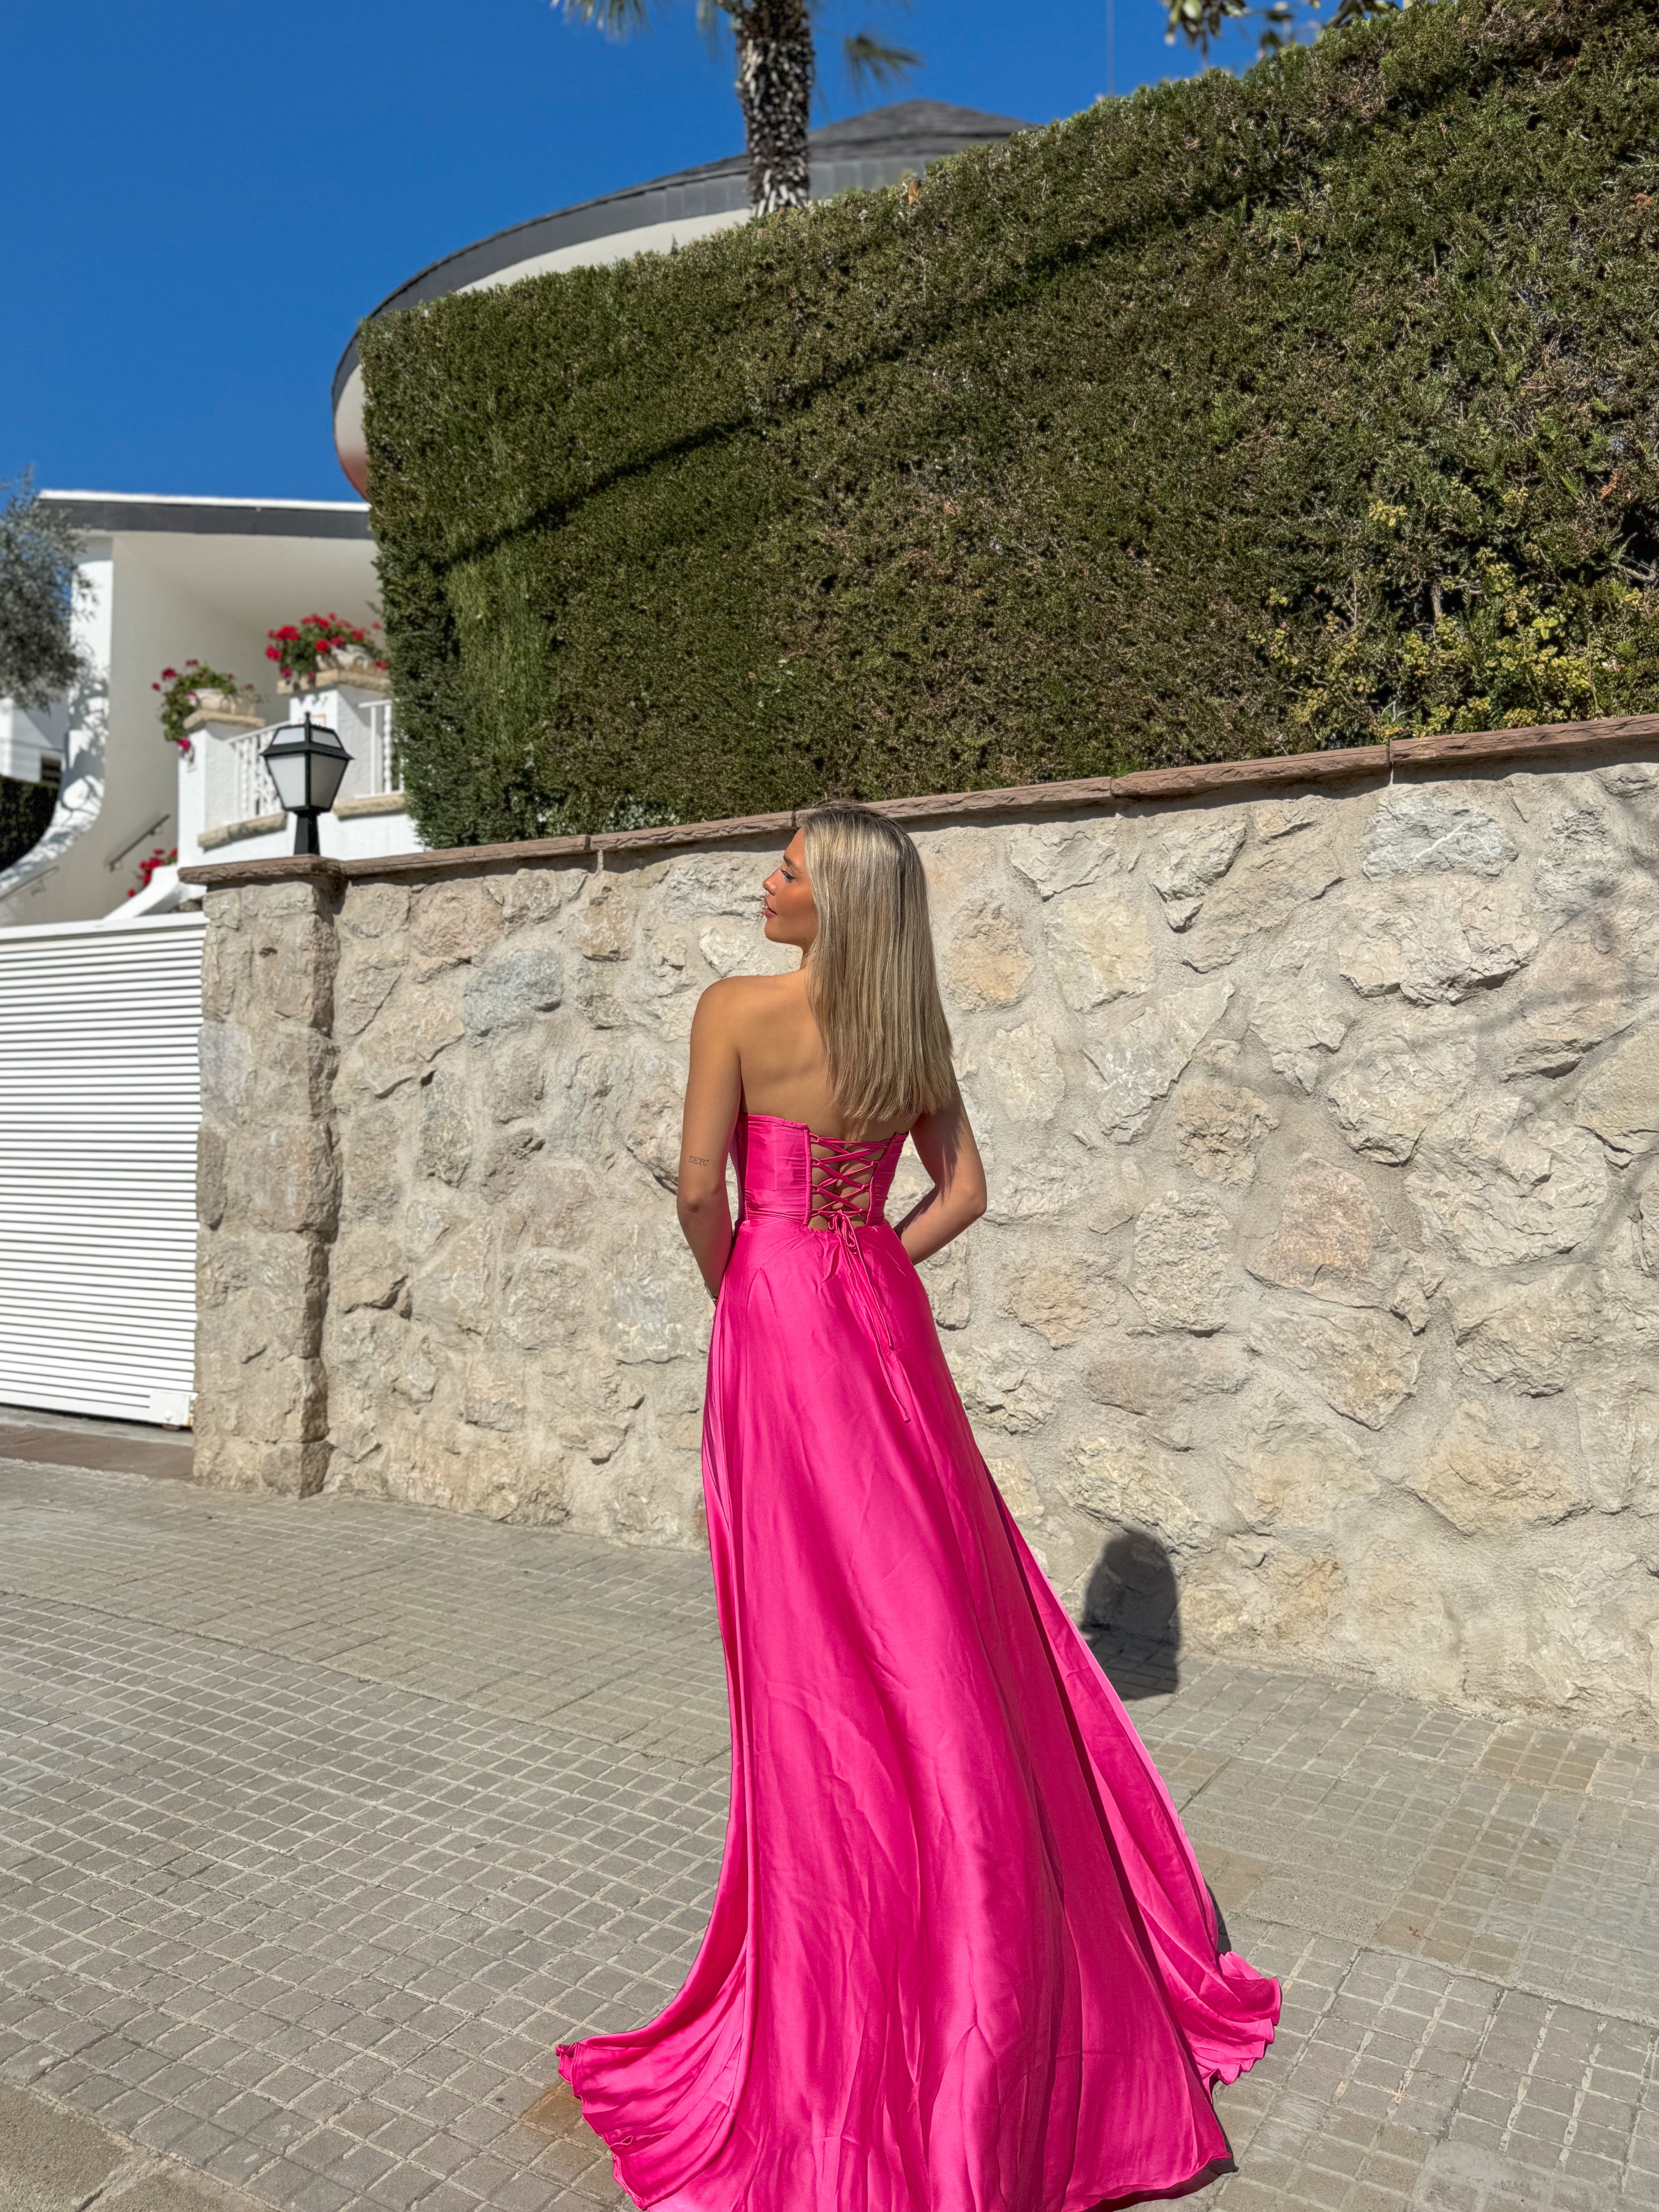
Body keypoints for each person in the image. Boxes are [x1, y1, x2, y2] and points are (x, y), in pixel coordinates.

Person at [556, 803, 1278, 2209]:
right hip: (878, 1318)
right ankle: (975, 1911)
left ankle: (879, 1919)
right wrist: (870, 1255)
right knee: (934, 1601)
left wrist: (750, 1289)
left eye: (788, 867)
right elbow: (967, 1192)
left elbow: (699, 1190)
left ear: (836, 899)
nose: (767, 881)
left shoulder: (736, 1011)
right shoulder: (910, 1033)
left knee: (813, 1642)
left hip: (778, 1318)